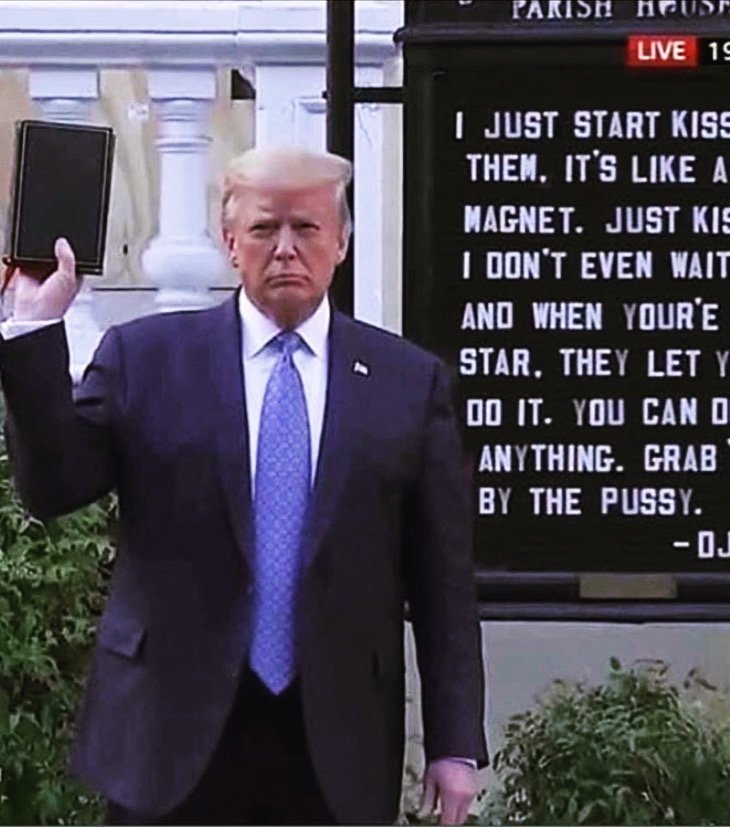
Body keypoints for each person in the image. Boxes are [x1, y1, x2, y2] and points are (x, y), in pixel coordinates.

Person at [0, 146, 487, 825]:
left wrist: (454, 743)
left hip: (335, 737)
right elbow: (54, 488)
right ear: (230, 243)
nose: (285, 248)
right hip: (169, 734)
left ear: (341, 242)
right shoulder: (146, 359)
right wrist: (33, 327)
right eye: (263, 228)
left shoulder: (407, 383)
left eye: (306, 228)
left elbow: (442, 582)